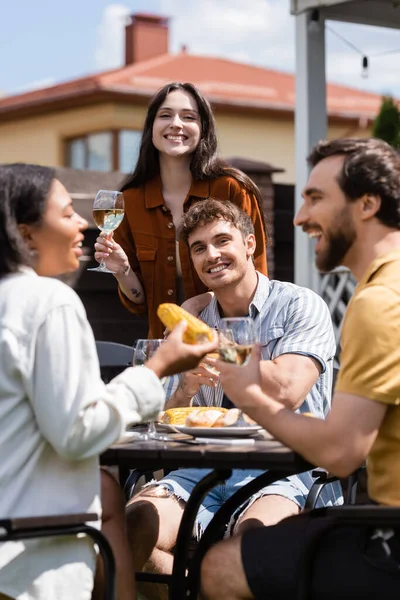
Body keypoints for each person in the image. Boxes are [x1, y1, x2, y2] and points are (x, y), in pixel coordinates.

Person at [0, 163, 218, 600]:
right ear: (25, 234)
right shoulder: (49, 301)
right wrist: (159, 368)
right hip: (30, 560)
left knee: (113, 499)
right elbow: (79, 433)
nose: (82, 222)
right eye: (66, 214)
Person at [199, 138, 400, 600]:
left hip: (390, 536)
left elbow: (342, 452)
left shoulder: (377, 303)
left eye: (316, 198)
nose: (300, 217)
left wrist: (250, 397)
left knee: (223, 565)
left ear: (367, 204)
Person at [125, 198, 342, 599]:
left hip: (285, 469)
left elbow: (288, 390)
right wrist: (186, 387)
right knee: (132, 524)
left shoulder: (299, 305)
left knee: (251, 547)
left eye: (222, 241)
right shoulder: (195, 319)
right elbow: (167, 416)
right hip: (200, 467)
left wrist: (215, 346)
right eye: (199, 248)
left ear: (249, 244)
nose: (212, 255)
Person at [93, 81, 268, 339]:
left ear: (202, 129)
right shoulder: (129, 201)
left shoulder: (232, 188)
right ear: (151, 127)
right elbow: (139, 302)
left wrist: (197, 304)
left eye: (189, 117)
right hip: (166, 351)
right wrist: (122, 271)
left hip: (231, 345)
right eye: (165, 115)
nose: (176, 123)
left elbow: (257, 278)